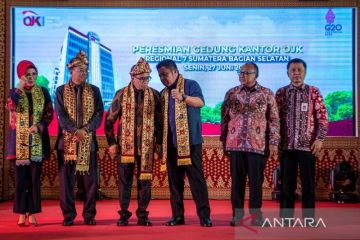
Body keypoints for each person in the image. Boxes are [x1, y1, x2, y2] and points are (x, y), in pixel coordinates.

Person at [220, 62, 280, 226]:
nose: (242, 75)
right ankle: (237, 215)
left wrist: (274, 142)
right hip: (235, 145)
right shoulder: (232, 93)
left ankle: (256, 216)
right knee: (237, 183)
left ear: (256, 75)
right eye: (240, 73)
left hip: (257, 145)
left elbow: (274, 120)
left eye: (247, 73)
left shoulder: (266, 94)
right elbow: (224, 119)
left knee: (256, 184)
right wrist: (223, 141)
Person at [105, 57, 162, 226]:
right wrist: (112, 143)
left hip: (146, 148)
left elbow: (160, 123)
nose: (145, 82)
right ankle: (124, 214)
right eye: (142, 79)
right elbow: (109, 121)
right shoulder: (121, 94)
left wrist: (158, 146)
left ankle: (143, 215)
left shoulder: (155, 95)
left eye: (147, 78)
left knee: (145, 182)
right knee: (125, 183)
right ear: (132, 77)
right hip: (125, 147)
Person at [156, 59, 212, 227]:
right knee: (175, 183)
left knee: (197, 181)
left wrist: (183, 97)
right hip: (171, 145)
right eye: (160, 76)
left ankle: (204, 216)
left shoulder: (190, 85)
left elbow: (200, 102)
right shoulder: (163, 93)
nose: (163, 79)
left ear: (175, 72)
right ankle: (178, 216)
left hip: (191, 143)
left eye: (165, 74)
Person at [55, 50, 104, 226]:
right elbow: (61, 115)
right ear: (71, 71)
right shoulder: (60, 91)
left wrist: (86, 129)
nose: (83, 73)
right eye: (80, 70)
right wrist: (76, 131)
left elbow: (99, 114)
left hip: (88, 143)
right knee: (67, 183)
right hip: (66, 144)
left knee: (90, 183)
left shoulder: (95, 90)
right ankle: (68, 216)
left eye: (85, 70)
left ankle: (89, 215)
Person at [275, 58, 328, 220]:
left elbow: (323, 118)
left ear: (305, 72)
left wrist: (319, 139)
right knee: (287, 185)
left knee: (308, 185)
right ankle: (286, 219)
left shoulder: (314, 92)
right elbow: (275, 120)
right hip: (287, 147)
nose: (296, 73)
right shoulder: (281, 93)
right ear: (287, 73)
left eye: (299, 70)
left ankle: (309, 219)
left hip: (308, 146)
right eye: (293, 70)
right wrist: (275, 142)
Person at [6, 60, 53, 226]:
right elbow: (10, 105)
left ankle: (32, 213)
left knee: (33, 180)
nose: (31, 77)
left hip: (37, 142)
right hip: (18, 142)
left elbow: (49, 114)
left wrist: (39, 126)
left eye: (34, 74)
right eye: (28, 74)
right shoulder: (14, 92)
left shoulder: (44, 92)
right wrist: (19, 86)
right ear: (21, 75)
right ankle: (21, 213)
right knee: (20, 181)